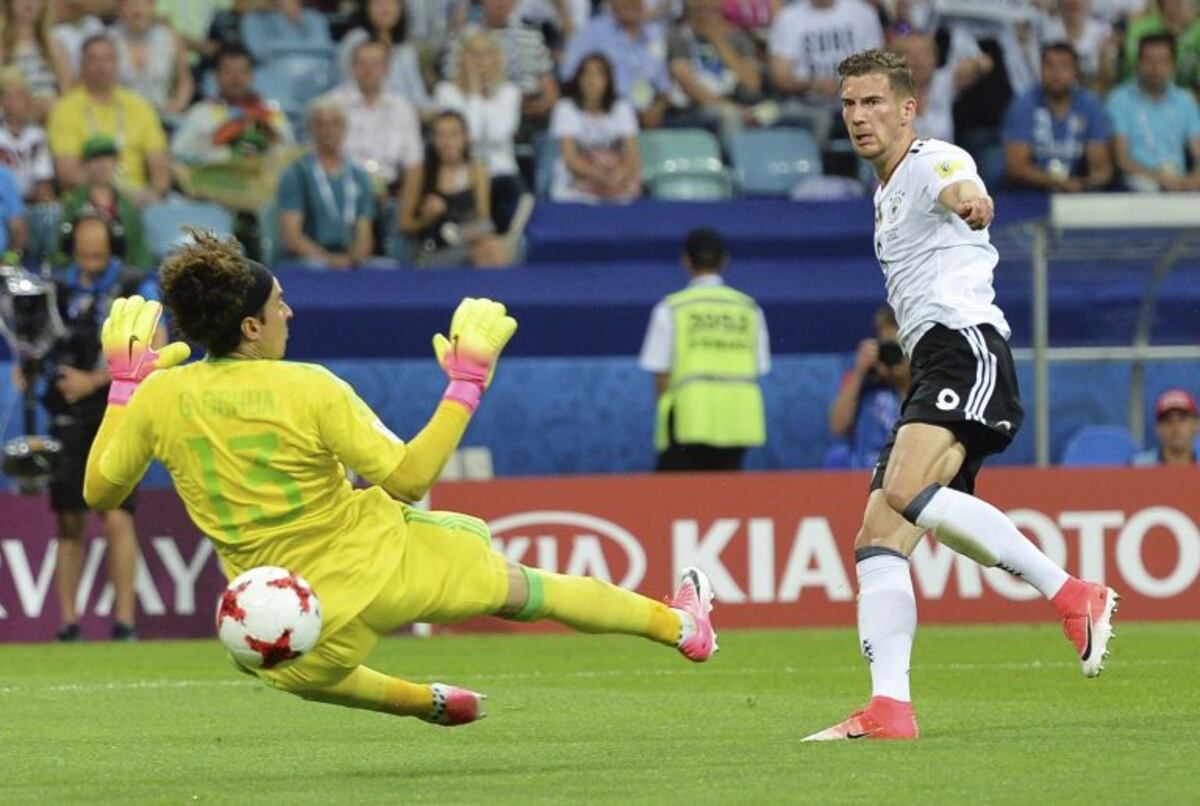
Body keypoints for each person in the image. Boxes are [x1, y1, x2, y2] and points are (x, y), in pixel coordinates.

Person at [81, 232, 717, 725]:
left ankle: (426, 703)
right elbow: (408, 479)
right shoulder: (311, 387)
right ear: (250, 327)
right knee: (527, 591)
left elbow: (100, 493)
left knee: (283, 669)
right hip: (383, 563)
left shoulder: (159, 398)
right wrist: (465, 386)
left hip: (288, 621)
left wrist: (124, 390)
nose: (289, 312)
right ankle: (682, 627)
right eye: (279, 306)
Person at [802, 49, 1120, 742]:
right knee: (879, 539)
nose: (859, 116)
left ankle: (1073, 594)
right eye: (850, 104)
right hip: (934, 363)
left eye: (874, 102)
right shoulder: (884, 192)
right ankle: (890, 709)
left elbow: (961, 186)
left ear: (907, 108)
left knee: (906, 489)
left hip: (965, 347)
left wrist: (971, 202)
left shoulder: (928, 160)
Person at [16, 208, 160, 641]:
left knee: (117, 514)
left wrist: (95, 380)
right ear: (71, 243)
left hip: (116, 413)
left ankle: (125, 622)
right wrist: (29, 366)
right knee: (68, 519)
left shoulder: (136, 286)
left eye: (98, 237)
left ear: (112, 240)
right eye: (83, 238)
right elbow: (37, 341)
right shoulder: (55, 288)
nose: (90, 246)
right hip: (66, 415)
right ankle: (68, 623)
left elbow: (156, 350)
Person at [638, 228, 769, 472]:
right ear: (725, 261)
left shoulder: (671, 308)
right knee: (725, 500)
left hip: (688, 421)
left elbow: (661, 376)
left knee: (677, 501)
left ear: (686, 261)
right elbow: (759, 367)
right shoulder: (749, 309)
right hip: (738, 420)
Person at [47, 34, 171, 205]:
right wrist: (114, 195)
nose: (102, 66)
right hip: (88, 199)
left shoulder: (140, 106)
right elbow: (68, 174)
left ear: (118, 64)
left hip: (140, 197)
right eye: (94, 59)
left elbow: (159, 165)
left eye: (108, 58)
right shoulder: (65, 109)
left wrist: (156, 193)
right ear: (82, 65)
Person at [434, 28, 523, 232]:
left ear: (497, 59)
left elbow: (500, 132)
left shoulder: (510, 93)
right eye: (473, 54)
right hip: (461, 175)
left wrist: (477, 99)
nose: (480, 61)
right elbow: (468, 136)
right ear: (462, 59)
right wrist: (474, 92)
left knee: (508, 203)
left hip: (502, 172)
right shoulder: (446, 92)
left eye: (487, 55)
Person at [397, 110, 510, 268]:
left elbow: (483, 219)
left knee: (494, 247)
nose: (447, 142)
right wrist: (427, 219)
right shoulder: (419, 173)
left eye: (453, 135)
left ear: (465, 138)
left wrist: (469, 234)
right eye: (441, 135)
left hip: (466, 242)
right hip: (432, 249)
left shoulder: (476, 171)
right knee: (487, 253)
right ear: (433, 140)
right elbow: (404, 225)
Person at [276, 98, 376, 269]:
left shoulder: (359, 176)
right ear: (311, 129)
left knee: (386, 268)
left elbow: (364, 234)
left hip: (349, 259)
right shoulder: (297, 173)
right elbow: (291, 238)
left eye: (335, 123)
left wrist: (353, 259)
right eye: (320, 124)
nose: (327, 131)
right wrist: (330, 260)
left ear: (345, 128)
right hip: (310, 259)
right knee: (315, 266)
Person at [1003, 42, 1113, 193]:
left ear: (1076, 72)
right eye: (1049, 66)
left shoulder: (1090, 104)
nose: (1056, 73)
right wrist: (1060, 183)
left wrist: (1085, 183)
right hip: (1032, 191)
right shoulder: (1024, 104)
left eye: (1064, 66)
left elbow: (1101, 168)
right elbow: (1016, 167)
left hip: (1078, 189)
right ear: (1040, 70)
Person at [326, 39, 422, 199]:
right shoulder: (332, 105)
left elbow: (414, 164)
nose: (368, 69)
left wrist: (405, 214)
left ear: (387, 69)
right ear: (352, 67)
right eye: (362, 63)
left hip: (391, 193)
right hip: (344, 193)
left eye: (375, 64)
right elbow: (323, 159)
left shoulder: (403, 108)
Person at [666, 0, 765, 150]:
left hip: (740, 103)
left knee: (771, 113)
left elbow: (752, 84)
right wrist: (731, 108)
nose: (704, 4)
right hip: (694, 110)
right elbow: (686, 82)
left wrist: (716, 39)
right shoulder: (676, 37)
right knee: (729, 116)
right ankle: (741, 167)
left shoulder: (739, 38)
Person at [1107, 33, 1200, 192]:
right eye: (1149, 60)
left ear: (1173, 65)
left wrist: (1193, 179)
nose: (1155, 68)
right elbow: (1122, 160)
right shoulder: (1119, 99)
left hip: (1180, 180)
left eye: (1162, 61)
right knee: (1146, 186)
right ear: (1138, 63)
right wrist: (1160, 179)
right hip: (1138, 180)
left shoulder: (1185, 100)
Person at [442, 0, 560, 125]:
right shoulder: (464, 38)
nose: (500, 3)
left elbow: (550, 90)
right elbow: (452, 83)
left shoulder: (532, 37)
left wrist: (530, 108)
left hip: (528, 116)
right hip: (475, 113)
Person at [560, 0, 671, 129]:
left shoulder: (654, 34)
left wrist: (656, 110)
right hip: (605, 120)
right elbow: (568, 78)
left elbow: (664, 87)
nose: (631, 3)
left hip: (649, 118)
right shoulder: (589, 33)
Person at [549, 52, 642, 203]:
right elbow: (570, 158)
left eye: (599, 75)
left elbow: (632, 156)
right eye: (587, 75)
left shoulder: (622, 108)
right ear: (578, 79)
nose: (592, 81)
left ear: (608, 80)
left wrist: (617, 178)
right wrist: (600, 178)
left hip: (615, 181)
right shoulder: (565, 108)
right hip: (578, 182)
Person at [828, 304, 908, 470]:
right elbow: (838, 426)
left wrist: (905, 380)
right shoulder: (862, 375)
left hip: (906, 469)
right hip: (864, 470)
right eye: (887, 347)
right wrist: (859, 373)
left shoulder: (923, 375)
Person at [57, 135, 152, 269]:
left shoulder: (127, 207)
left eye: (108, 158)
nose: (102, 165)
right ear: (85, 164)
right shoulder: (74, 204)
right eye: (95, 159)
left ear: (116, 162)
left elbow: (139, 251)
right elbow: (61, 250)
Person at [338, 0, 433, 114]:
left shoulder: (406, 51)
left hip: (403, 116)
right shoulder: (355, 40)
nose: (386, 8)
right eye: (379, 3)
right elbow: (345, 84)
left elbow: (418, 97)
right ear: (367, 7)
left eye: (392, 3)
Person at [108, 0, 194, 121]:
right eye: (131, 5)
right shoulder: (107, 40)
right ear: (119, 9)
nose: (137, 11)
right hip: (118, 116)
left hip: (160, 116)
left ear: (152, 6)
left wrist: (177, 105)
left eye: (143, 4)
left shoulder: (169, 38)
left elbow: (185, 80)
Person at [0, 0, 71, 121]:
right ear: (9, 3)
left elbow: (67, 94)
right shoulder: (2, 44)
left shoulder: (55, 45)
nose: (30, 3)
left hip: (50, 118)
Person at [1132, 388, 1198, 465]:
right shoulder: (1139, 467)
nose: (1176, 427)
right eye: (1168, 420)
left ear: (1196, 425)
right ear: (1158, 428)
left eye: (1182, 419)